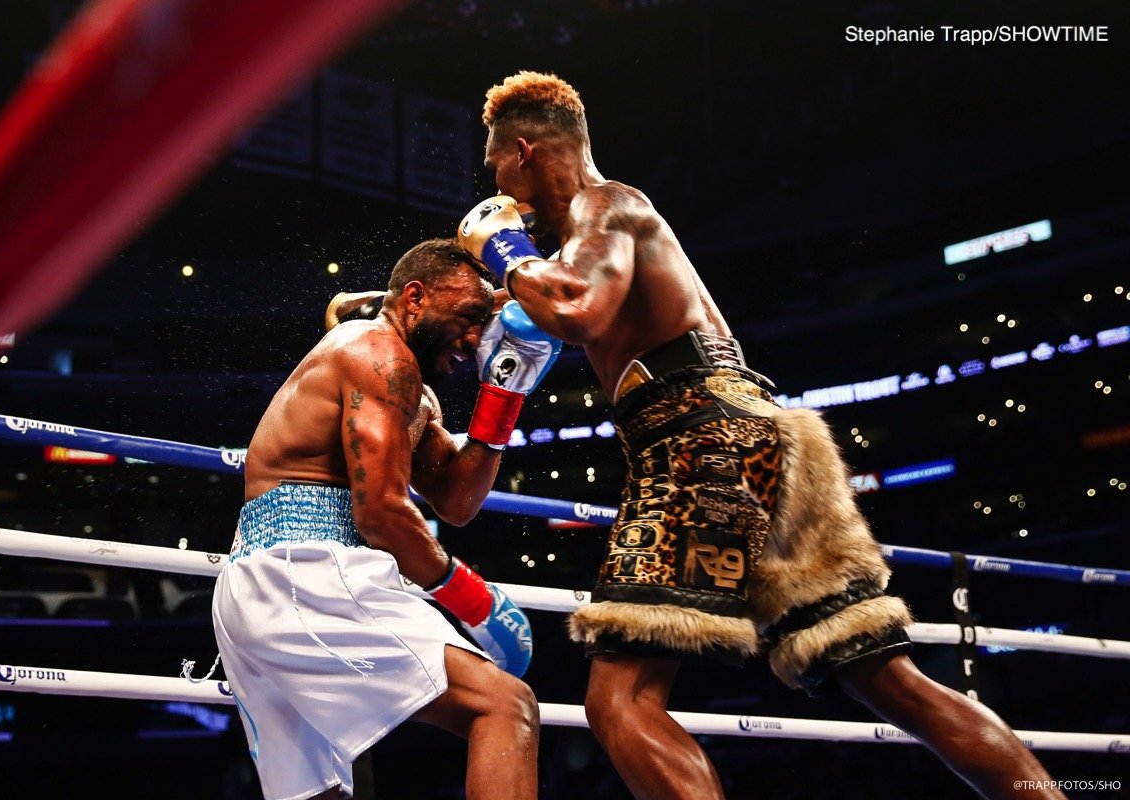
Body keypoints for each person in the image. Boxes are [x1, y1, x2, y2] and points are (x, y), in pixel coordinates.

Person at [456, 71, 1062, 800]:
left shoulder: (608, 204)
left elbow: (577, 309)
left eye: (495, 168)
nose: (497, 187)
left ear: (523, 151)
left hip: (697, 441)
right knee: (886, 676)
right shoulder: (597, 230)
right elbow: (537, 296)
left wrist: (501, 245)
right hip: (769, 441)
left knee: (620, 701)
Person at [212, 238, 559, 800]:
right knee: (504, 705)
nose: (476, 340)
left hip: (268, 584)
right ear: (415, 297)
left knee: (320, 793)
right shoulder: (380, 355)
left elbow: (456, 500)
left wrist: (505, 390)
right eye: (468, 317)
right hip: (303, 572)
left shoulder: (403, 384)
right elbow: (380, 513)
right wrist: (472, 600)